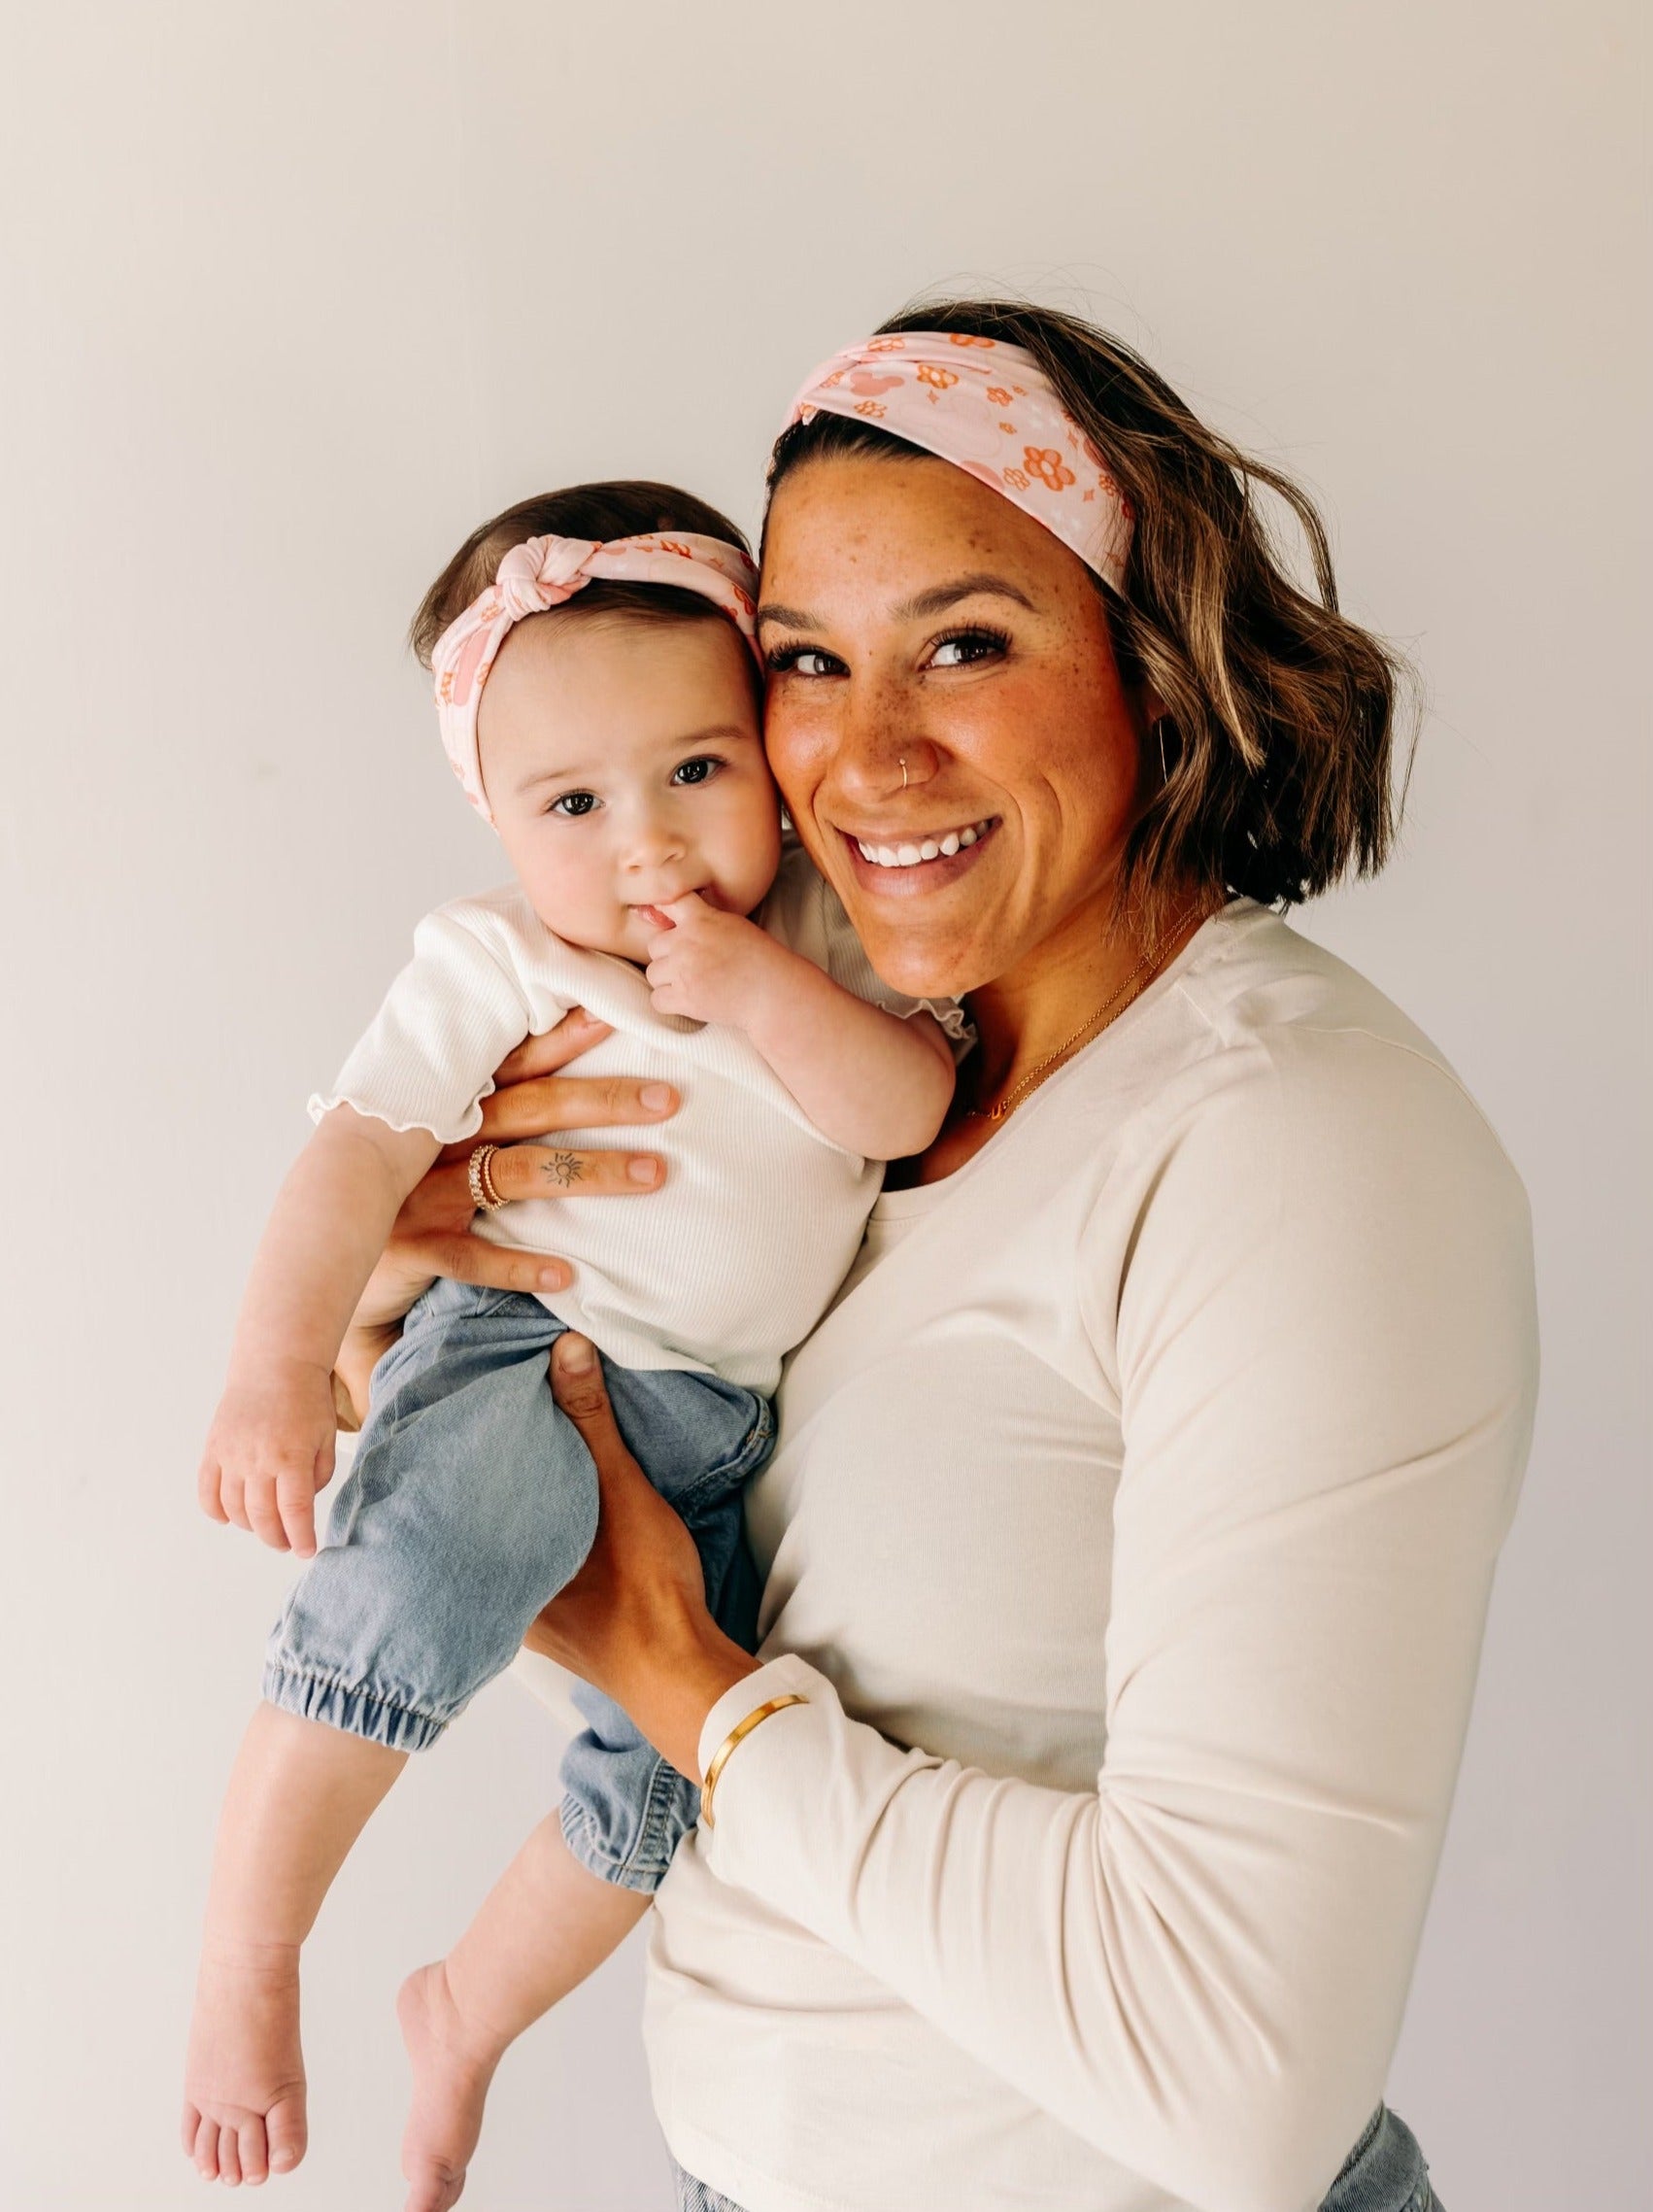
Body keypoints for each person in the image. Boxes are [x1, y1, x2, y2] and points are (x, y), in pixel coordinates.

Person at [344, 302, 1535, 2212]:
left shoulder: (1289, 1141)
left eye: (964, 643)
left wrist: (681, 1680)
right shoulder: (840, 1077)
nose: (868, 752)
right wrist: (419, 1300)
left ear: (1149, 664)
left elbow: (1233, 2079)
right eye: (806, 661)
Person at [181, 480, 961, 2208]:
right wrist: (270, 1367)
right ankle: (250, 1952)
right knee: (426, 1570)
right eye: (574, 802)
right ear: (493, 817)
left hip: (714, 1435)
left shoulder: (826, 938)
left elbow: (904, 1107)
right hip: (533, 1344)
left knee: (682, 1770)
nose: (650, 846)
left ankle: (466, 2010)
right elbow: (355, 1157)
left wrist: (756, 988)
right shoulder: (498, 955)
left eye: (697, 770)